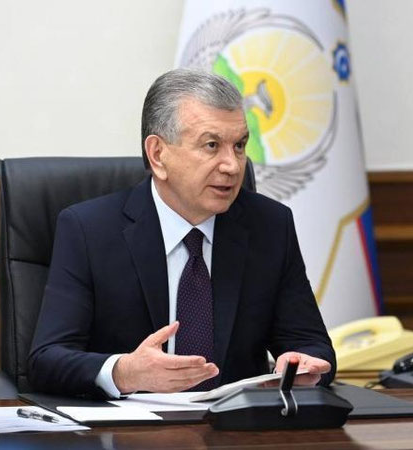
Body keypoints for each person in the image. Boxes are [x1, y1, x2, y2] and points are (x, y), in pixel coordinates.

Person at [28, 68, 335, 398]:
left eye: (239, 145)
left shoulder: (270, 226)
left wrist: (303, 365)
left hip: (234, 424)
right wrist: (123, 372)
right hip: (129, 425)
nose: (232, 165)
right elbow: (47, 360)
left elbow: (312, 345)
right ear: (158, 155)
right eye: (212, 145)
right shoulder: (89, 230)